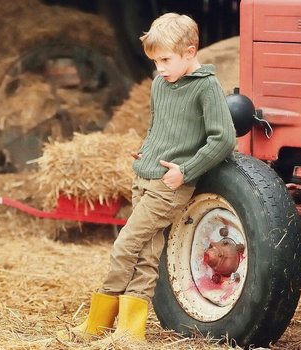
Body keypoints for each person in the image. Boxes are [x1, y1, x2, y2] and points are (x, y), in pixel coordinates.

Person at [61, 13, 236, 343]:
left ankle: (97, 323)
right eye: (156, 62)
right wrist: (147, 149)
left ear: (189, 51)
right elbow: (159, 126)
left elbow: (223, 139)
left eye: (166, 60)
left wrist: (185, 171)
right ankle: (129, 332)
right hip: (144, 177)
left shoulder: (206, 88)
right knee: (146, 254)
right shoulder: (160, 83)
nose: (161, 69)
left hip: (169, 186)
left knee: (124, 246)